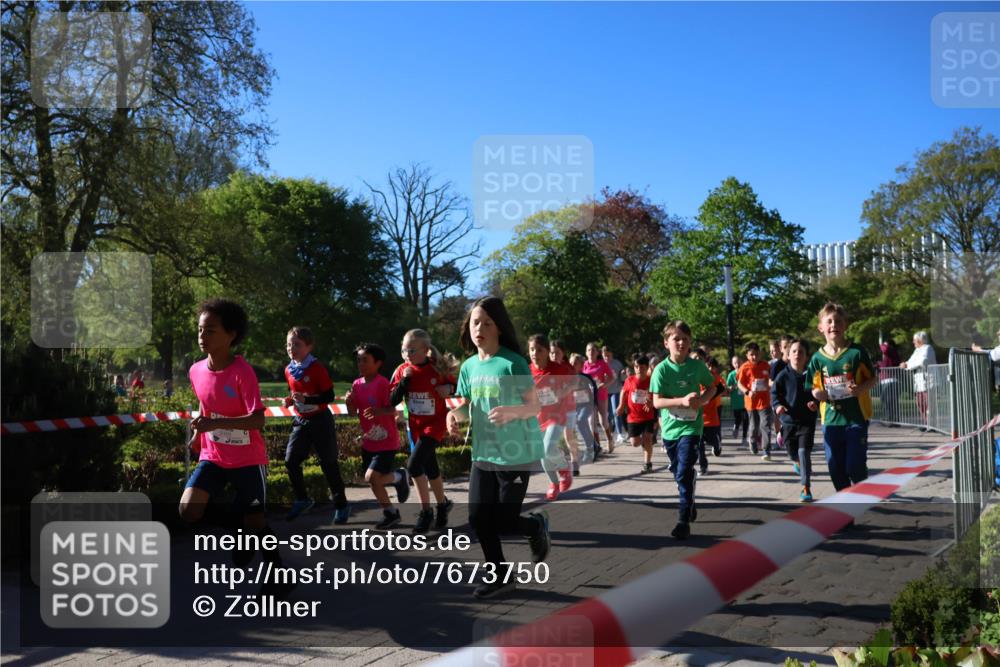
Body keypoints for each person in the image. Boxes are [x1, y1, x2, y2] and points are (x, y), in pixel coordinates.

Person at [178, 299, 292, 597]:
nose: (202, 337)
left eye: (210, 331)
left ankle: (278, 572)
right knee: (188, 510)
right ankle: (242, 534)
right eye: (200, 330)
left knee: (256, 521)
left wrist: (215, 426)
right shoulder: (195, 371)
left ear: (231, 335)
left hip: (248, 460)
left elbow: (257, 421)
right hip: (213, 456)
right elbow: (207, 407)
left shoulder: (243, 371)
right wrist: (199, 437)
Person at [446, 296, 551, 599]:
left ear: (499, 328)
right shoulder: (468, 368)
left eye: (487, 323)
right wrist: (455, 416)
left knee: (505, 520)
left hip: (516, 453)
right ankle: (500, 575)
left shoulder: (512, 363)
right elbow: (467, 406)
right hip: (483, 454)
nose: (479, 328)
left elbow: (534, 407)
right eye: (475, 322)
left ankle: (535, 526)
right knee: (479, 518)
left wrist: (512, 412)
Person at [651, 320, 717, 540]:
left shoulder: (697, 367)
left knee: (683, 470)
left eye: (685, 340)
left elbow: (712, 387)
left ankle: (682, 520)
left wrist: (703, 401)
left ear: (690, 344)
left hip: (691, 427)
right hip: (670, 430)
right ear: (666, 342)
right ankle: (690, 500)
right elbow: (657, 403)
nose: (681, 343)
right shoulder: (660, 370)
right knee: (679, 473)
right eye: (676, 339)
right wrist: (682, 400)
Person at [281, 326, 350, 524]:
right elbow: (295, 393)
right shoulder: (288, 369)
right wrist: (290, 400)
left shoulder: (316, 368)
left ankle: (342, 505)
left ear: (309, 346)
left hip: (320, 419)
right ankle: (302, 499)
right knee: (291, 461)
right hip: (301, 421)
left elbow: (328, 396)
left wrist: (308, 400)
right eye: (288, 345)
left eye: (297, 345)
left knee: (328, 463)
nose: (291, 348)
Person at [808, 302, 878, 495]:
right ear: (821, 328)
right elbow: (813, 387)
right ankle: (846, 509)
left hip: (856, 418)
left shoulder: (857, 352)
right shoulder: (817, 359)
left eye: (838, 321)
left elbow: (873, 379)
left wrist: (860, 389)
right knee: (835, 469)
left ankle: (860, 493)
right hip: (830, 421)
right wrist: (817, 395)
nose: (833, 325)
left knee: (854, 466)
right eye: (829, 321)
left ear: (845, 325)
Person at [390, 329, 456, 534]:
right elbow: (392, 400)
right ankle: (442, 505)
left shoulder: (437, 369)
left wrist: (450, 390)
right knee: (431, 467)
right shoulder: (402, 370)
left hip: (435, 424)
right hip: (416, 426)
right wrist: (404, 382)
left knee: (414, 465)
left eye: (412, 350)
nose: (407, 355)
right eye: (404, 350)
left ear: (425, 350)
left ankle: (425, 512)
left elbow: (457, 385)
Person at [344, 343, 410, 530]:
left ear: (378, 363)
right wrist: (349, 403)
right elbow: (352, 413)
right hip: (369, 441)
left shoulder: (382, 384)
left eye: (365, 360)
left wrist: (379, 411)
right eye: (358, 360)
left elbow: (392, 408)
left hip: (387, 441)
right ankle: (391, 512)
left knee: (371, 476)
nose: (361, 364)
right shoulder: (356, 385)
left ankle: (398, 477)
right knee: (372, 481)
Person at [771, 339, 820, 501]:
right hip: (788, 421)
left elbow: (819, 392)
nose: (797, 354)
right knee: (793, 453)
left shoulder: (812, 374)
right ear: (788, 355)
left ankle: (806, 488)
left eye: (801, 352)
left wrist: (816, 404)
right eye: (794, 351)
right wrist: (778, 406)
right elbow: (774, 394)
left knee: (803, 452)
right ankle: (796, 462)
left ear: (806, 357)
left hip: (806, 421)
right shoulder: (783, 375)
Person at [528, 334, 573, 501]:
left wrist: (561, 392)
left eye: (539, 350)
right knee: (543, 454)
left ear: (547, 351)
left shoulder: (559, 369)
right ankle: (553, 483)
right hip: (538, 418)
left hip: (557, 416)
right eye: (532, 349)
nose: (534, 353)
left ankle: (564, 468)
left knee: (547, 448)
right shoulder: (528, 370)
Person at [617, 354, 656, 473]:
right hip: (633, 417)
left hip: (648, 415)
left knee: (647, 439)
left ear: (647, 367)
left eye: (642, 367)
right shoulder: (630, 380)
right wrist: (621, 405)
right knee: (634, 443)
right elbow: (623, 392)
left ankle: (647, 463)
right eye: (636, 367)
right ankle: (644, 442)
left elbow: (659, 395)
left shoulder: (652, 380)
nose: (639, 369)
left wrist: (652, 402)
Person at [550, 339, 584, 472]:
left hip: (568, 407)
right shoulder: (546, 368)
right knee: (552, 437)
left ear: (563, 353)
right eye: (552, 353)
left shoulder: (567, 368)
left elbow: (575, 383)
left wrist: (563, 391)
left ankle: (574, 460)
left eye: (557, 353)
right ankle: (559, 461)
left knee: (568, 436)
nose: (554, 356)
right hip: (552, 409)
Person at [737, 343, 774, 460]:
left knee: (766, 425)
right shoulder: (744, 367)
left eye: (756, 354)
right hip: (751, 402)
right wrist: (747, 392)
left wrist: (771, 385)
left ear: (760, 354)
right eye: (751, 355)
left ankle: (766, 450)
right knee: (754, 426)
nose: (754, 357)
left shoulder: (766, 365)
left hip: (765, 401)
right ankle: (752, 441)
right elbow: (739, 384)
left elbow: (770, 379)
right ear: (747, 355)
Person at [899, 331, 937, 428]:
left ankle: (932, 424)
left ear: (920, 340)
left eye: (914, 340)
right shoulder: (917, 350)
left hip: (928, 382)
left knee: (929, 404)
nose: (913, 342)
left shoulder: (928, 348)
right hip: (919, 383)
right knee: (919, 402)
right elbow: (911, 360)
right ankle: (926, 422)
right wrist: (905, 364)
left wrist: (907, 365)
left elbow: (922, 361)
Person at [583, 343, 616, 453]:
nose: (591, 352)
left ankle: (610, 439)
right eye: (588, 350)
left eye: (593, 350)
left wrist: (604, 385)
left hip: (601, 394)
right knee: (591, 421)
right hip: (589, 397)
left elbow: (612, 377)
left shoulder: (602, 364)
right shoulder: (584, 365)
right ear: (586, 352)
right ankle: (597, 446)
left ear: (597, 352)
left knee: (603, 421)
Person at [699, 356, 728, 471]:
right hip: (698, 416)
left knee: (712, 439)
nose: (710, 368)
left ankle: (717, 444)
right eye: (708, 366)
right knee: (699, 443)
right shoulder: (698, 378)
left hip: (712, 414)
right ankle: (703, 466)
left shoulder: (716, 378)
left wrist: (721, 390)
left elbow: (723, 388)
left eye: (712, 367)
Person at [570, 353, 600, 462]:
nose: (573, 365)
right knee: (581, 425)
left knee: (581, 421)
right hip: (576, 406)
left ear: (581, 365)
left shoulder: (586, 377)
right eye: (571, 363)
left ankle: (591, 447)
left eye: (575, 363)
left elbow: (594, 390)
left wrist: (595, 403)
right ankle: (594, 446)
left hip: (587, 404)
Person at [603, 346, 627, 445]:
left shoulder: (617, 364)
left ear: (611, 354)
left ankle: (620, 434)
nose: (607, 358)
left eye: (608, 355)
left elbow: (623, 378)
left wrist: (623, 373)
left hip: (615, 391)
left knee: (616, 411)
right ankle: (610, 434)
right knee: (607, 415)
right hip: (604, 392)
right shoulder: (601, 364)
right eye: (605, 356)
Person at [876, 337, 902, 425]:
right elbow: (886, 363)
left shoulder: (891, 351)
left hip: (890, 380)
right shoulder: (890, 354)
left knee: (890, 401)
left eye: (886, 344)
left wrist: (882, 344)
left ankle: (892, 420)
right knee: (886, 400)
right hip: (886, 380)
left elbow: (885, 349)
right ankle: (889, 419)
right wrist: (879, 364)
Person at [726, 355, 749, 447]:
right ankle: (736, 426)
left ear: (742, 362)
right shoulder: (731, 375)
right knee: (738, 419)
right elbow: (727, 388)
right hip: (736, 402)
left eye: (739, 362)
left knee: (746, 420)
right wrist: (732, 387)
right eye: (735, 363)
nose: (737, 364)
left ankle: (744, 439)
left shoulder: (746, 372)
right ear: (732, 364)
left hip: (745, 401)